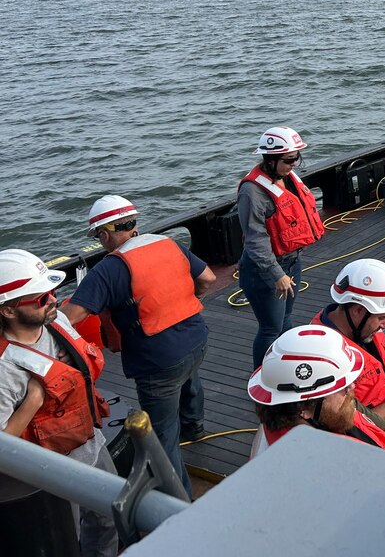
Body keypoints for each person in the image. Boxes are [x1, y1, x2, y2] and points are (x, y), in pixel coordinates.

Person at [63, 195, 214, 498]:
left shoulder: (109, 269)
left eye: (99, 236)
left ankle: (178, 499)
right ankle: (195, 426)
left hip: (157, 361)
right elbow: (208, 278)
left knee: (162, 436)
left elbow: (71, 317)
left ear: (104, 234)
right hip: (197, 339)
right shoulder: (168, 244)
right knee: (188, 378)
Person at [0, 249, 119, 557]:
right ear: (9, 311)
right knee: (67, 541)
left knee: (110, 516)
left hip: (91, 443)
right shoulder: (4, 369)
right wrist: (34, 399)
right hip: (51, 471)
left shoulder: (58, 321)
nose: (53, 300)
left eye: (52, 292)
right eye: (41, 298)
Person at [247, 325, 385, 461]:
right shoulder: (328, 457)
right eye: (340, 386)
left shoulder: (335, 408)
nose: (351, 389)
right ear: (303, 408)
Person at [237, 126, 326, 369]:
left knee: (286, 319)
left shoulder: (287, 178)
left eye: (297, 157)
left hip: (291, 262)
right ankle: (260, 377)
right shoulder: (252, 192)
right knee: (270, 328)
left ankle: (286, 368)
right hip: (265, 271)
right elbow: (255, 240)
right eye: (289, 159)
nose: (295, 164)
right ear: (270, 159)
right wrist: (277, 275)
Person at [311, 259, 385, 419]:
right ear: (358, 310)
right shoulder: (322, 360)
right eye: (383, 317)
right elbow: (340, 430)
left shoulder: (364, 325)